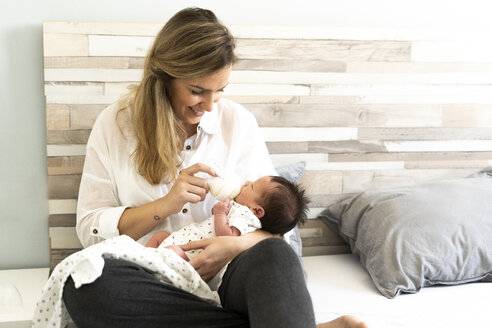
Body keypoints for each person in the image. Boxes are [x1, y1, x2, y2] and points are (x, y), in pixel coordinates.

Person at [62, 7, 368, 328]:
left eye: (220, 90)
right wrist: (165, 205)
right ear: (164, 78)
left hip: (229, 277)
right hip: (153, 277)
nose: (209, 106)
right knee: (84, 283)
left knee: (276, 258)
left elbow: (279, 230)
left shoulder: (237, 122)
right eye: (197, 91)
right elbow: (90, 230)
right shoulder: (114, 125)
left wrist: (236, 244)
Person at [148, 175, 309, 290]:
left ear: (257, 211)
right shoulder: (243, 209)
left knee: (172, 252)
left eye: (252, 187)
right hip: (182, 242)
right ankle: (143, 257)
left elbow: (227, 237)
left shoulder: (246, 216)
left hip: (191, 255)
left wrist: (219, 214)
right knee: (160, 236)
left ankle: (146, 265)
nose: (247, 182)